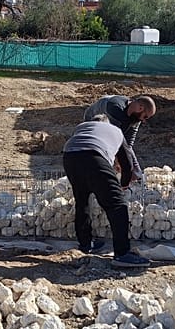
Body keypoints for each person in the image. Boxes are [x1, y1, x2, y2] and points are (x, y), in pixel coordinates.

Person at [62, 114, 150, 269]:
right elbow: (126, 161)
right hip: (94, 156)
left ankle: (85, 244)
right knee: (117, 205)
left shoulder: (82, 127)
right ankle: (122, 254)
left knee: (82, 200)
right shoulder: (115, 130)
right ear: (107, 123)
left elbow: (81, 146)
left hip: (69, 156)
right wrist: (123, 185)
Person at [83, 94, 156, 181]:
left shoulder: (135, 118)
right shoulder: (114, 109)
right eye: (145, 117)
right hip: (93, 121)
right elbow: (113, 142)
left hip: (112, 124)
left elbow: (128, 145)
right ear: (140, 108)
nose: (144, 121)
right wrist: (123, 168)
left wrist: (136, 171)